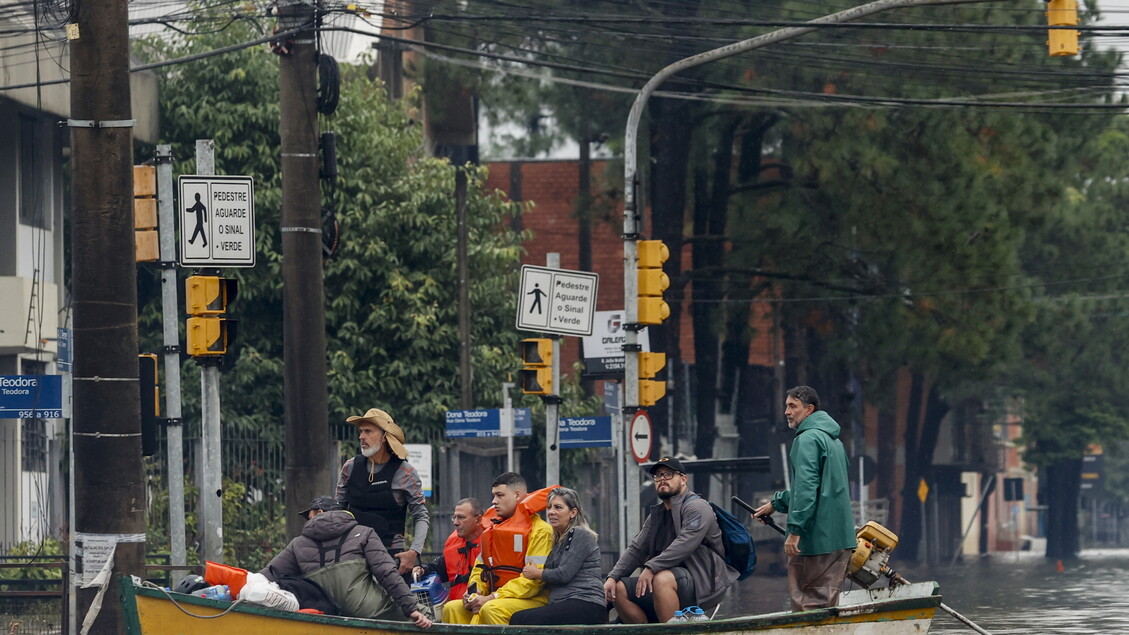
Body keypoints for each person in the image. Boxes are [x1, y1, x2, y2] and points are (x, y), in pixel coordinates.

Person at [753, 385, 855, 611]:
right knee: (825, 608)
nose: (787, 412)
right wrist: (776, 503)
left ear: (809, 409)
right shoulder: (834, 441)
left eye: (792, 406)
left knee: (807, 608)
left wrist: (795, 531)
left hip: (815, 540)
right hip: (839, 539)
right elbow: (819, 487)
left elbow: (807, 487)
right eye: (786, 406)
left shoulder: (807, 439)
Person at [261, 496, 432, 627]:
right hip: (366, 610)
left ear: (320, 513)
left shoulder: (298, 544)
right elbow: (387, 573)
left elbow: (269, 575)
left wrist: (241, 589)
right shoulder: (364, 533)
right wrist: (412, 609)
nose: (308, 519)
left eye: (309, 515)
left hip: (323, 612)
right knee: (427, 615)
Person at [604, 457, 738, 623]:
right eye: (658, 476)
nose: (662, 479)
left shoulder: (697, 507)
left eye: (668, 474)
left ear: (683, 479)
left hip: (702, 581)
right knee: (618, 588)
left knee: (661, 579)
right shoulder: (657, 515)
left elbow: (686, 543)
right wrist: (612, 577)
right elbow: (637, 549)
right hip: (668, 577)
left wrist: (651, 567)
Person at [441, 472, 553, 625]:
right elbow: (480, 568)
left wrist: (492, 597)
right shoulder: (492, 530)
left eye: (500, 495)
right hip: (496, 597)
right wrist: (474, 593)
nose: (494, 501)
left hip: (531, 599)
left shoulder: (540, 531)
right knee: (452, 608)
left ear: (517, 495)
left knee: (491, 608)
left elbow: (533, 583)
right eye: (493, 496)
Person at [336, 407, 429, 576]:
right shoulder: (349, 467)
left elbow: (421, 515)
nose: (361, 437)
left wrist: (414, 552)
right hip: (352, 553)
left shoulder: (406, 472)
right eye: (361, 431)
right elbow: (336, 510)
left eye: (368, 431)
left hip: (390, 555)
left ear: (385, 437)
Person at [510, 487, 608, 625]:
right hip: (563, 602)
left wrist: (536, 573)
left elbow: (564, 574)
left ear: (573, 512)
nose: (551, 512)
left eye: (558, 507)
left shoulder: (580, 534)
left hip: (586, 603)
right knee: (517, 615)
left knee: (521, 619)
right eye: (549, 507)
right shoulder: (558, 539)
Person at [412, 497, 485, 599]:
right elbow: (441, 567)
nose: (455, 522)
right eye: (454, 517)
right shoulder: (454, 544)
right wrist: (423, 570)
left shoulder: (492, 544)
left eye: (461, 517)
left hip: (481, 605)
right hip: (455, 608)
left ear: (478, 520)